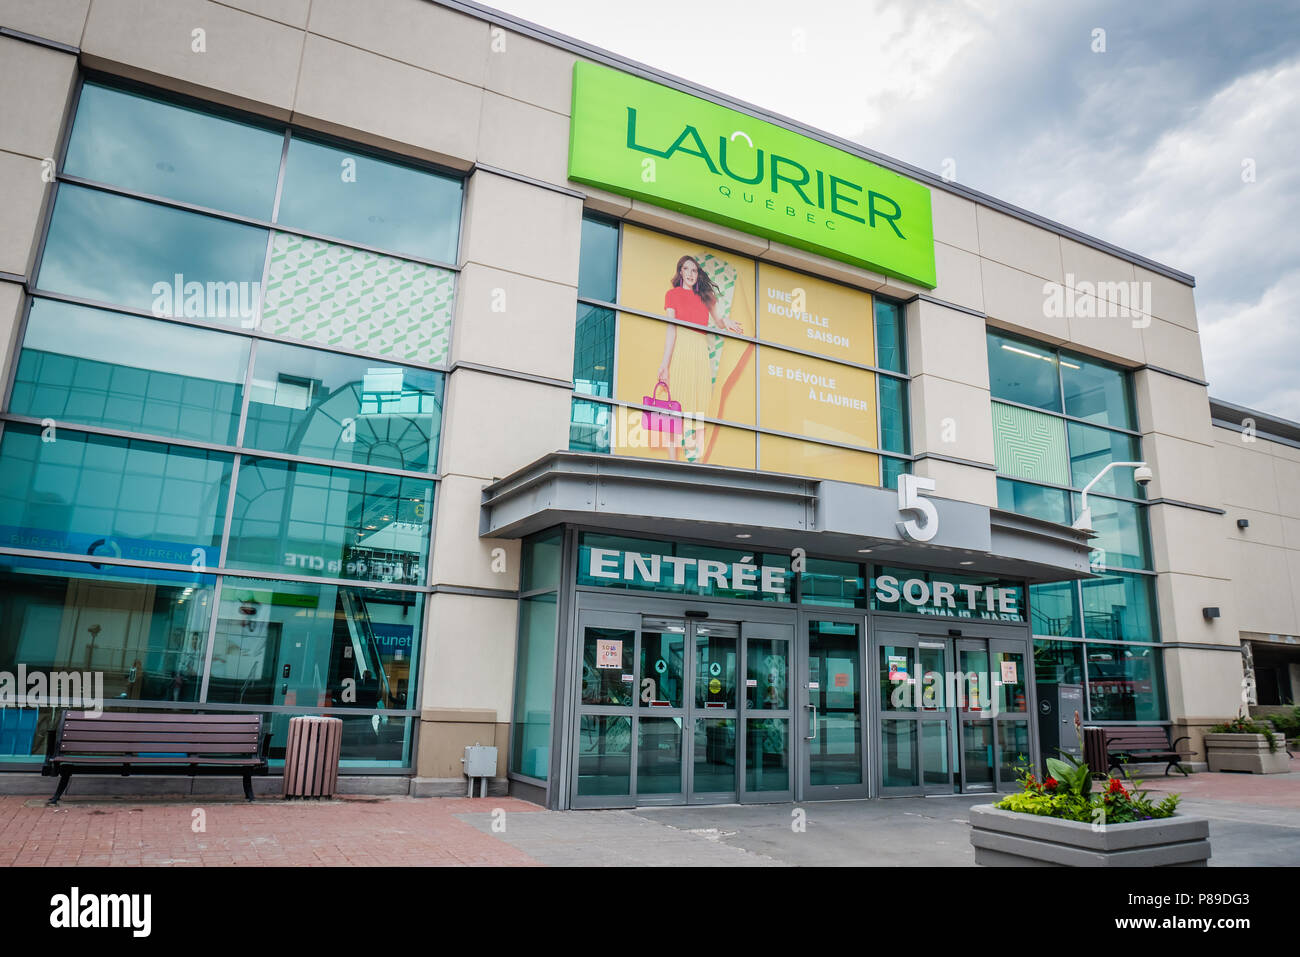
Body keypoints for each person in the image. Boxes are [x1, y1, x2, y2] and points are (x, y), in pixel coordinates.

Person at [655, 255, 743, 460]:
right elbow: (671, 330)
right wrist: (665, 364)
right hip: (681, 349)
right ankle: (672, 460)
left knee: (700, 403)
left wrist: (727, 321)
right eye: (686, 269)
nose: (690, 274)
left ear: (698, 274)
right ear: (680, 272)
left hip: (700, 350)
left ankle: (699, 459)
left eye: (694, 270)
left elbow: (719, 321)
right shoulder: (672, 295)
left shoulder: (705, 295)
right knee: (675, 404)